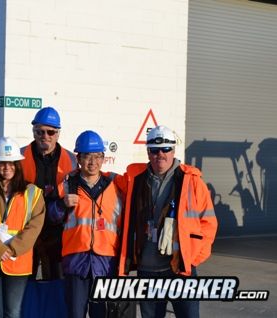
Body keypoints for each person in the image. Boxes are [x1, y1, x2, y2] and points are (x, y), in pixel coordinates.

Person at [119, 125, 218, 318]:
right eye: (155, 150)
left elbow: (209, 222)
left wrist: (193, 258)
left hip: (180, 269)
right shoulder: (135, 180)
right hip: (147, 269)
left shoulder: (192, 181)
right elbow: (102, 182)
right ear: (148, 152)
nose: (160, 155)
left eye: (165, 149)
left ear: (173, 151)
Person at [48, 130, 126, 318]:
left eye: (97, 156)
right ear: (79, 158)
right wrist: (60, 204)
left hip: (105, 262)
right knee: (75, 313)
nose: (92, 162)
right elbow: (50, 216)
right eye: (87, 157)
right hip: (76, 261)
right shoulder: (67, 185)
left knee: (101, 313)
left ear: (103, 158)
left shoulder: (115, 186)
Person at [0, 137, 45, 318]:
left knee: (13, 312)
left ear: (18, 164)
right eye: (2, 163)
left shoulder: (33, 193)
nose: (7, 167)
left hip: (17, 261)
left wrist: (11, 249)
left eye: (11, 163)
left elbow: (35, 226)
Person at [21, 106, 77, 280]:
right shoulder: (20, 156)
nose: (45, 136)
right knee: (25, 283)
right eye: (40, 132)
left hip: (57, 232)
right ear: (33, 132)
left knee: (56, 283)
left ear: (58, 133)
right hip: (26, 229)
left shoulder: (71, 159)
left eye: (50, 132)